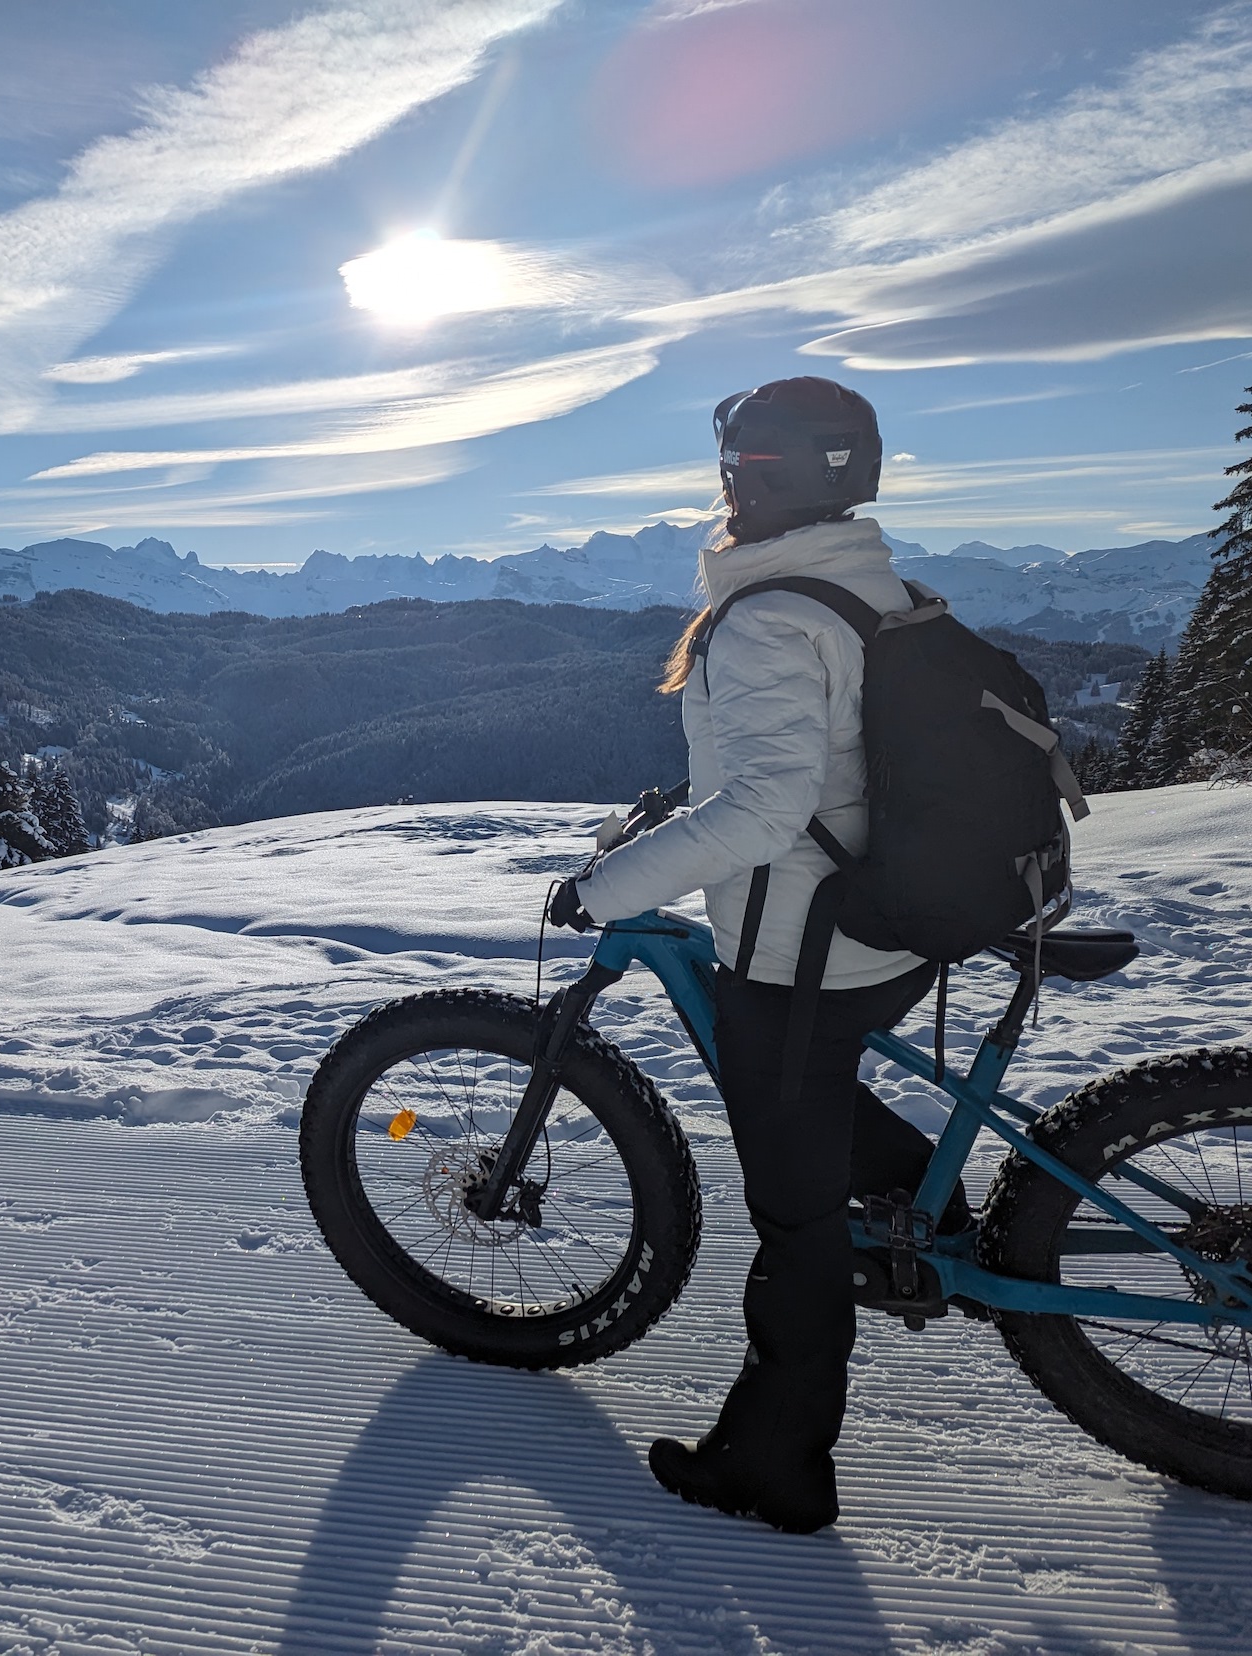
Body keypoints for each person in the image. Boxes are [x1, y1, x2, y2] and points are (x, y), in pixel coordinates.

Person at [546, 376, 959, 1534]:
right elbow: (818, 763)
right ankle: (932, 1207)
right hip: (884, 928)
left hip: (805, 946)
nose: (725, 484)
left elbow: (771, 807)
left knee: (792, 1221)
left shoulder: (773, 613)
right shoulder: (866, 579)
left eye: (734, 465)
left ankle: (775, 1466)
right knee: (800, 1081)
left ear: (752, 476)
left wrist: (601, 890)